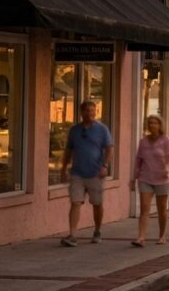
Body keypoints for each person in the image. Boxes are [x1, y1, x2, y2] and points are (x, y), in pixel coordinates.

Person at [60, 101, 113, 247]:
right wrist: (64, 168)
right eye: (88, 110)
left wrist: (105, 166)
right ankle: (72, 235)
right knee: (75, 203)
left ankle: (97, 231)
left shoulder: (102, 129)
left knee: (97, 204)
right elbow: (68, 151)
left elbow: (109, 149)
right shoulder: (74, 130)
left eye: (93, 110)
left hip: (95, 173)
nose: (91, 113)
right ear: (81, 112)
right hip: (77, 173)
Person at [132, 114, 169, 247]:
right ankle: (141, 237)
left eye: (155, 123)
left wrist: (166, 170)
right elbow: (138, 160)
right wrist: (134, 177)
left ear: (160, 125)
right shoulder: (143, 142)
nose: (152, 125)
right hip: (145, 178)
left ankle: (162, 235)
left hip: (162, 179)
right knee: (144, 209)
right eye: (150, 123)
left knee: (162, 210)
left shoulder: (166, 141)